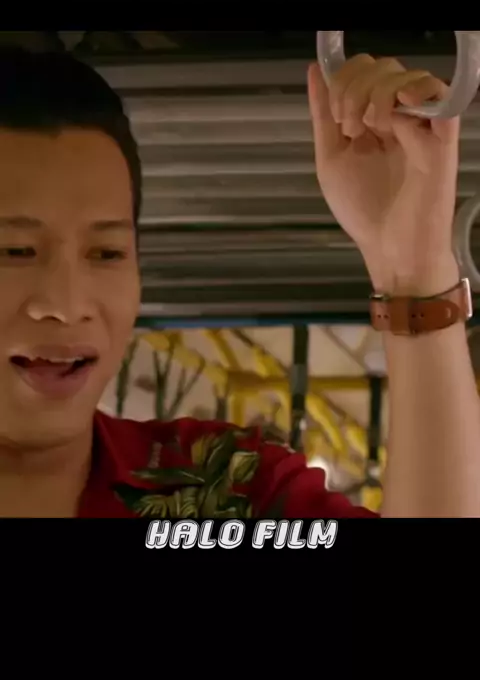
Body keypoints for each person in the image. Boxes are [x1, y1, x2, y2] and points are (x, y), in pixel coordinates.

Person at [0, 47, 479, 519]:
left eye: (107, 253)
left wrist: (411, 268)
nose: (67, 304)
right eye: (15, 251)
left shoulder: (219, 494)